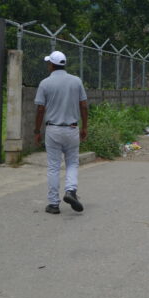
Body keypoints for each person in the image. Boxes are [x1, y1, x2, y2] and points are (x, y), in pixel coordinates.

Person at [34, 50, 88, 214]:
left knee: (54, 167)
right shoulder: (76, 81)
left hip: (53, 129)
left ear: (51, 65)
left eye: (48, 63)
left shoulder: (45, 83)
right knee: (72, 163)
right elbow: (84, 105)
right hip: (72, 128)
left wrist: (37, 130)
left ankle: (53, 204)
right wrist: (84, 127)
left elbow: (41, 109)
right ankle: (71, 191)